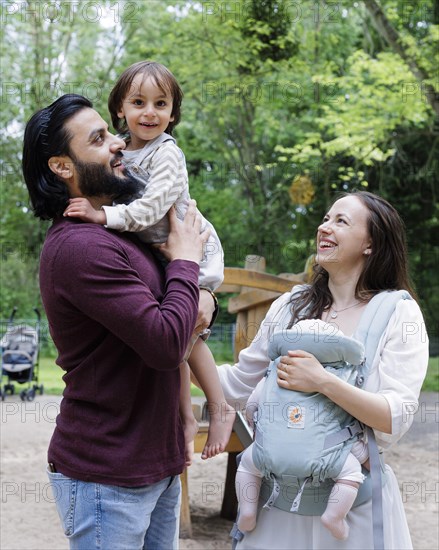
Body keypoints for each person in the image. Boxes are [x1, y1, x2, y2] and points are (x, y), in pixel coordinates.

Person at [22, 93, 216, 549]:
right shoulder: (81, 249)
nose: (118, 144)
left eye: (111, 132)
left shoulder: (120, 232)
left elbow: (183, 309)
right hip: (107, 475)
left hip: (155, 463)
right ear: (62, 167)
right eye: (99, 139)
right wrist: (187, 263)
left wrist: (202, 291)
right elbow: (168, 342)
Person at [217, 191, 429, 549]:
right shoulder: (290, 306)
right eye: (326, 218)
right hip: (276, 507)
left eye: (341, 221)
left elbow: (395, 417)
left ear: (371, 244)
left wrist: (322, 382)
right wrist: (182, 342)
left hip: (351, 509)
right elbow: (237, 384)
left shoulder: (398, 313)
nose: (324, 227)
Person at [63, 61, 235, 462]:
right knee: (171, 342)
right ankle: (185, 418)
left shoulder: (168, 154)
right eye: (138, 102)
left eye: (161, 104)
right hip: (163, 253)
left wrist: (102, 216)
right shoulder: (120, 147)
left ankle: (220, 405)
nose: (150, 112)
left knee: (188, 335)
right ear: (120, 108)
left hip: (192, 244)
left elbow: (152, 206)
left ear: (173, 113)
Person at [235, 319, 369, 540]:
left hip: (268, 452)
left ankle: (248, 510)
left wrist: (254, 422)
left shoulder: (276, 370)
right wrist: (363, 453)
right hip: (324, 456)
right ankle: (334, 516)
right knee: (351, 474)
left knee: (247, 467)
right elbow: (351, 417)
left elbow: (252, 405)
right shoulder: (340, 376)